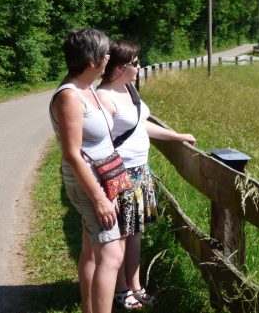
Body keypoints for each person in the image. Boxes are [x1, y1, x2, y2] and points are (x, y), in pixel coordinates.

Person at [97, 39, 196, 309]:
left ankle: (136, 286)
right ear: (119, 67)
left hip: (141, 171)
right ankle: (120, 291)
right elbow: (99, 143)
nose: (140, 67)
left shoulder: (129, 90)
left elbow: (142, 127)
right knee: (118, 236)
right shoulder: (104, 97)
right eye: (135, 63)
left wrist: (176, 136)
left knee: (135, 233)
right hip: (120, 174)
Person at [49, 29, 125, 313]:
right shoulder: (69, 96)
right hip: (89, 184)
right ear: (92, 59)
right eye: (105, 53)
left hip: (102, 180)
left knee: (93, 250)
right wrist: (99, 198)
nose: (108, 57)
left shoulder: (87, 88)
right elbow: (72, 153)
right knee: (112, 254)